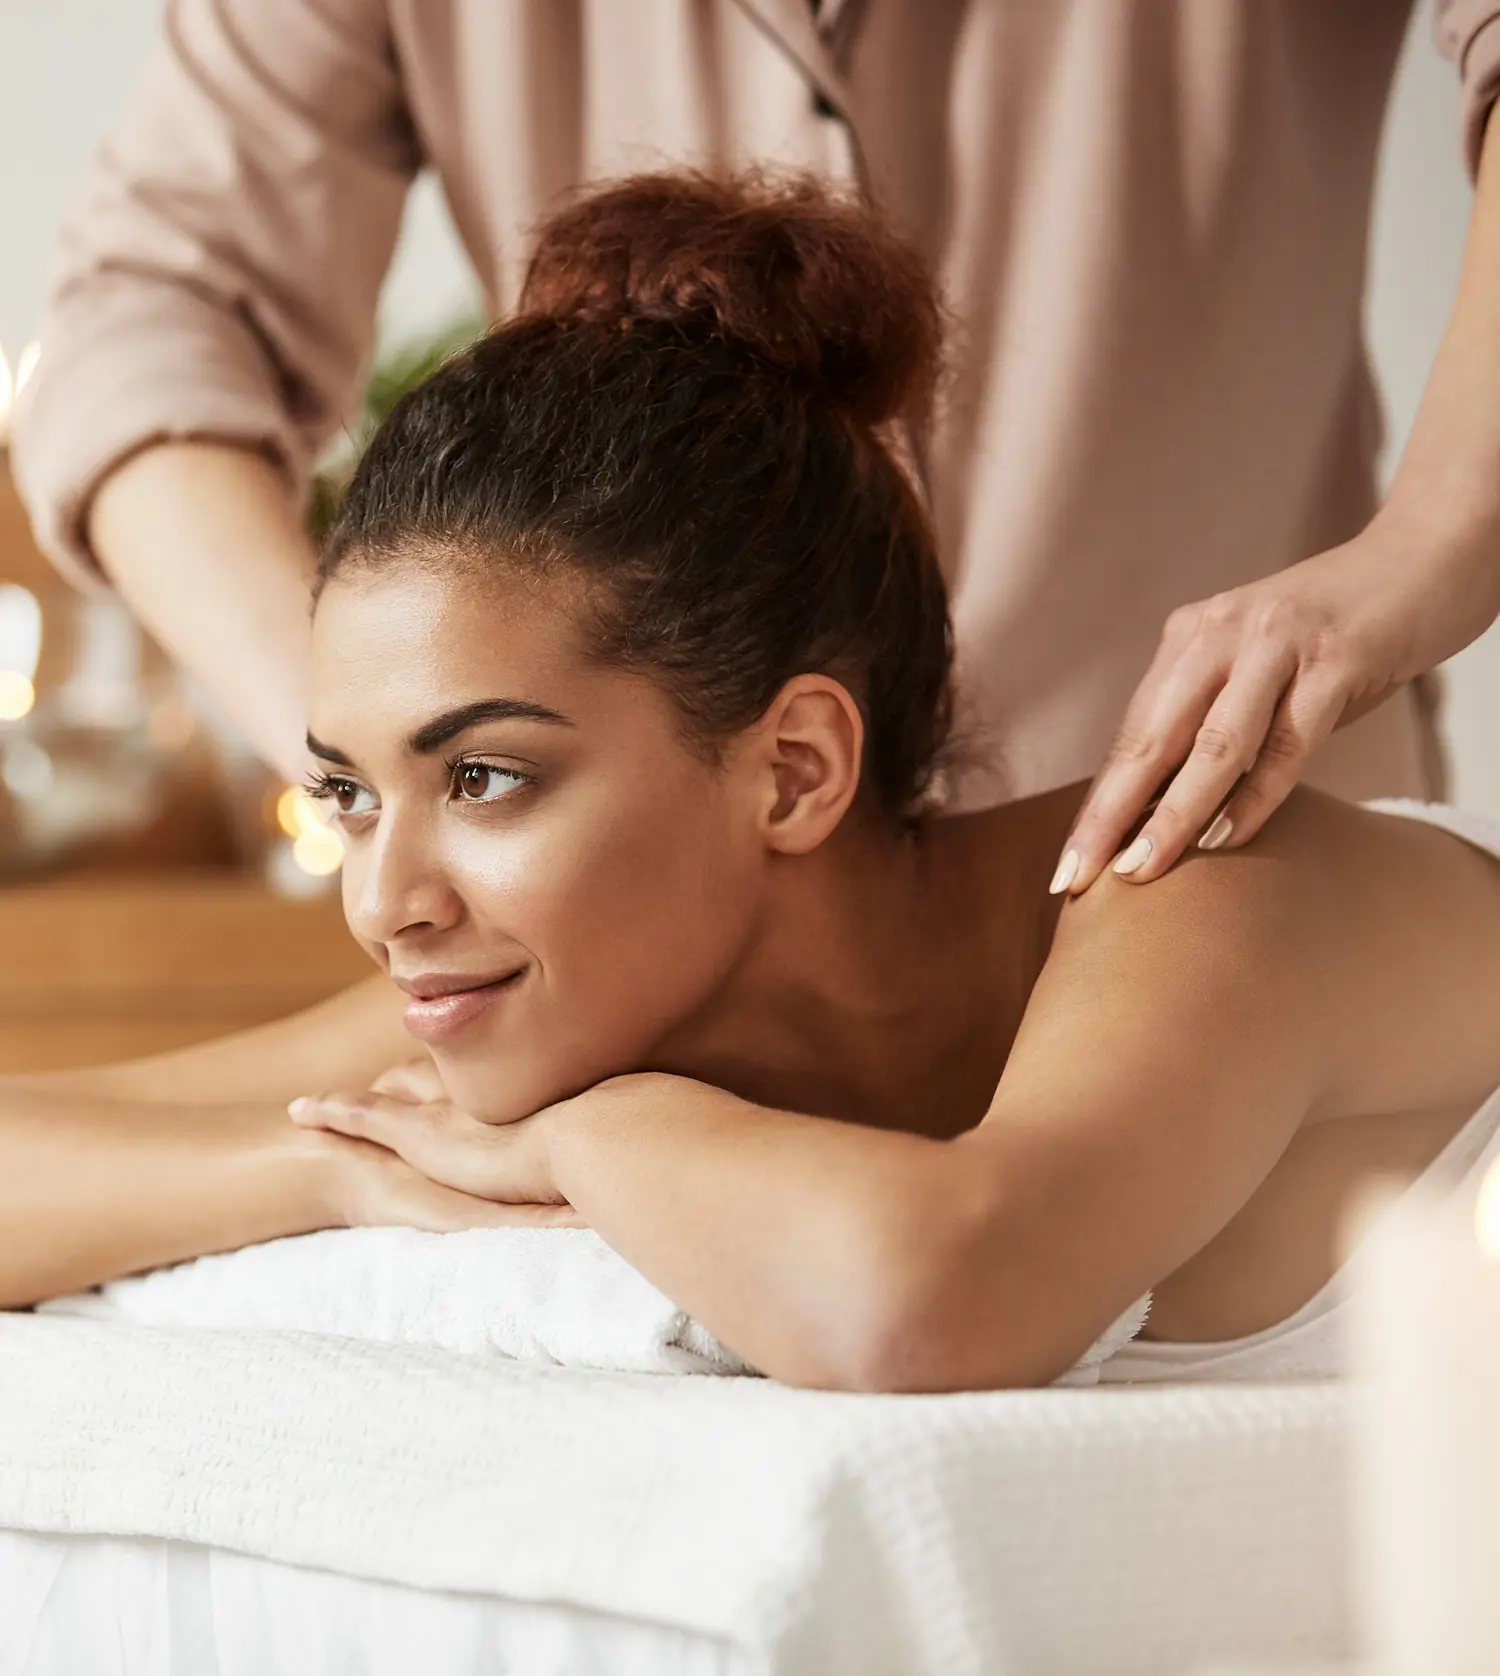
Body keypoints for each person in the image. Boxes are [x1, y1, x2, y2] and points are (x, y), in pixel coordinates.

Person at [6, 174, 1500, 1392]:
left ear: (792, 770)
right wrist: (332, 1169)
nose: (384, 902)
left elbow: (931, 1305)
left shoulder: (1203, 886)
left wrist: (576, 1145)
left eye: (484, 775)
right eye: (349, 793)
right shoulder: (579, 982)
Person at [12, 1, 1500, 896]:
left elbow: (918, 1296)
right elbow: (150, 316)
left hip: (1227, 867)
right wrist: (383, 758)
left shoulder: (1275, 969)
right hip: (670, 975)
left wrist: (1423, 555)